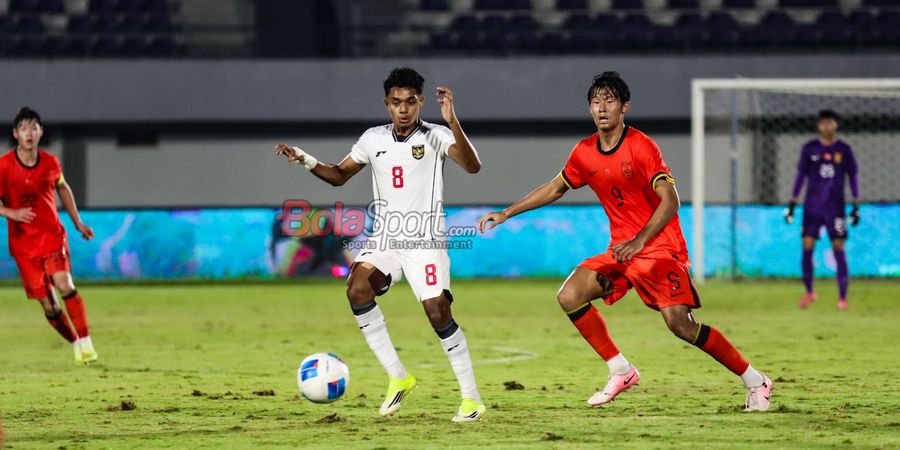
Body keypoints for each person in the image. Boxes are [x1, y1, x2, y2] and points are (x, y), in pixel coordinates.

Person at [478, 72, 772, 412]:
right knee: (569, 295)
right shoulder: (584, 152)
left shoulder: (642, 146)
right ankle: (621, 369)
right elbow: (556, 187)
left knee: (681, 325)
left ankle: (755, 380)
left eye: (610, 100)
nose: (602, 108)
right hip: (622, 251)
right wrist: (507, 212)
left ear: (624, 107)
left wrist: (639, 240)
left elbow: (671, 200)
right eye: (595, 101)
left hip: (661, 250)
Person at [275, 68, 485, 422]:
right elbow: (339, 176)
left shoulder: (437, 135)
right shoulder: (373, 138)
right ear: (387, 104)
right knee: (357, 288)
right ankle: (398, 376)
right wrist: (305, 159)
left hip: (425, 240)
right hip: (386, 238)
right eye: (395, 102)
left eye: (410, 102)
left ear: (420, 102)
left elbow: (473, 166)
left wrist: (454, 121)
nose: (403, 109)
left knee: (437, 313)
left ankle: (471, 399)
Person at [0, 107, 98, 365]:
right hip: (23, 246)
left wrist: (78, 222)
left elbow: (62, 187)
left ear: (41, 132)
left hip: (52, 237)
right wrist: (11, 212)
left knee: (65, 284)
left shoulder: (51, 164)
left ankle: (86, 341)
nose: (29, 132)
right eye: (23, 128)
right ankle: (75, 342)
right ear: (15, 134)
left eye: (33, 127)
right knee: (50, 306)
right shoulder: (4, 167)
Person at [785, 109, 859, 310]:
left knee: (838, 247)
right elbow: (801, 176)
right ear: (819, 126)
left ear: (836, 125)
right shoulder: (809, 149)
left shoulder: (844, 149)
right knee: (807, 246)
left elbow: (853, 176)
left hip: (835, 208)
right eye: (823, 123)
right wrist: (792, 203)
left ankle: (842, 297)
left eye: (830, 122)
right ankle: (809, 292)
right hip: (812, 207)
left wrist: (856, 203)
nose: (826, 126)